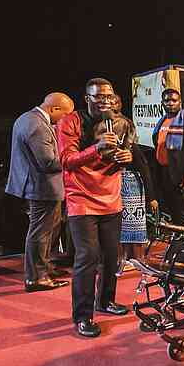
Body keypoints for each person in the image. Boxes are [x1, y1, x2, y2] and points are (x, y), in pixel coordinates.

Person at [57, 78, 132, 338]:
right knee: (87, 257)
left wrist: (126, 157)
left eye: (109, 96)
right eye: (99, 97)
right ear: (87, 99)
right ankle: (83, 316)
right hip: (82, 199)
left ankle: (106, 301)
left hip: (110, 197)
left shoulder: (118, 122)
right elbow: (66, 161)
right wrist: (96, 148)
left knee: (112, 256)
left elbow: (123, 155)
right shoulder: (71, 122)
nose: (105, 101)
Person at [5, 92, 74, 291]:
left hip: (42, 186)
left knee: (49, 229)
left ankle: (45, 268)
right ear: (54, 109)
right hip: (42, 187)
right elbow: (48, 162)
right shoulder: (36, 125)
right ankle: (37, 277)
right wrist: (76, 159)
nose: (65, 120)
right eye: (65, 115)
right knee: (41, 232)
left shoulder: (28, 118)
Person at [111, 94, 157, 273]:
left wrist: (151, 197)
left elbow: (144, 167)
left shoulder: (131, 146)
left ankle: (136, 259)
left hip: (131, 184)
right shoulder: (103, 135)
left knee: (134, 223)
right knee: (117, 225)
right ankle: (121, 260)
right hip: (112, 184)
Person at [150, 88, 184, 229]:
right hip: (165, 173)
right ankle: (177, 246)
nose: (170, 103)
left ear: (180, 102)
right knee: (171, 214)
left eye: (174, 100)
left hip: (181, 175)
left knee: (183, 215)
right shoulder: (162, 121)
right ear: (162, 103)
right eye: (167, 100)